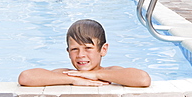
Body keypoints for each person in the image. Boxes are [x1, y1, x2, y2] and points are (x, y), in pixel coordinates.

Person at [18, 19, 151, 88]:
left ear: (103, 50)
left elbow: (143, 79)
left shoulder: (111, 72)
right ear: (68, 52)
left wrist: (96, 74)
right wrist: (74, 80)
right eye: (74, 49)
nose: (81, 54)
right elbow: (26, 77)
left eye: (88, 48)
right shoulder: (67, 73)